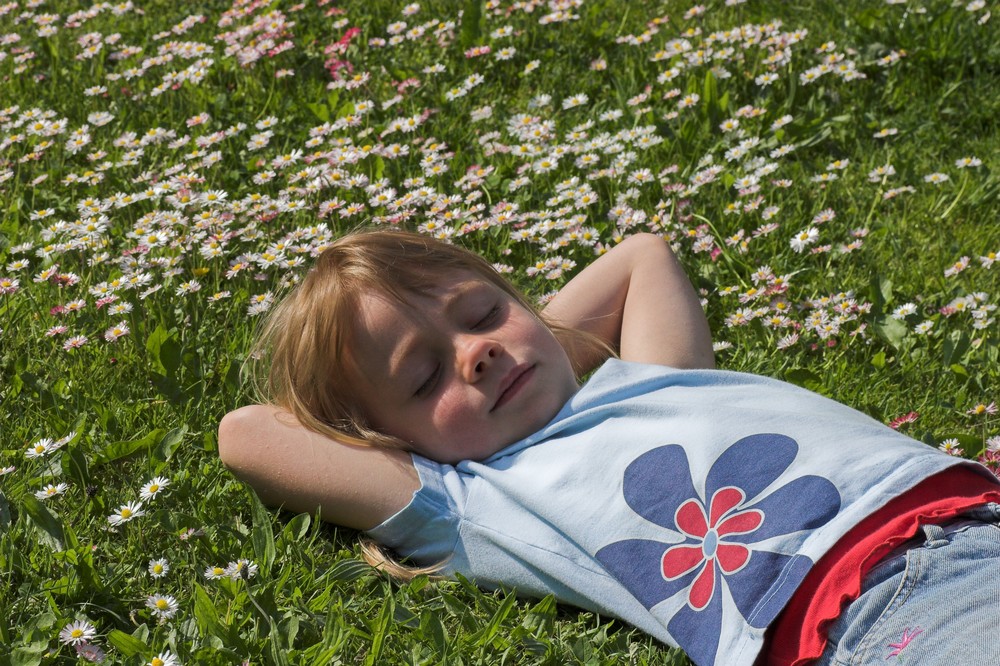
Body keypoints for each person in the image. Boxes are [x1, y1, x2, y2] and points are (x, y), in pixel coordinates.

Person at [219, 229, 1000, 666]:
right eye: (424, 378)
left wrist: (524, 347)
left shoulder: (650, 381)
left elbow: (642, 256)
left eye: (485, 311)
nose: (477, 352)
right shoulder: (483, 499)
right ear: (392, 441)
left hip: (974, 512)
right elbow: (246, 435)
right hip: (883, 603)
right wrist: (407, 442)